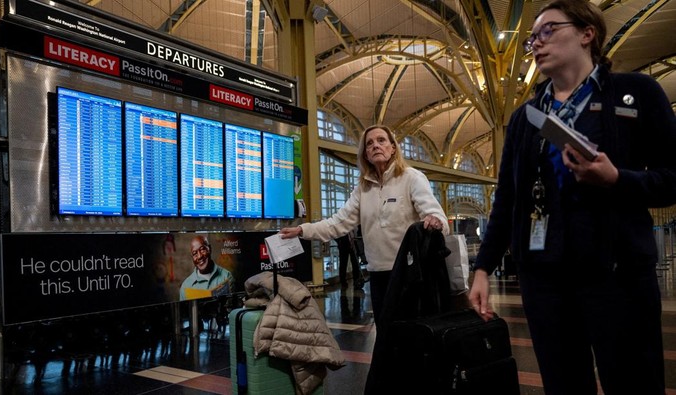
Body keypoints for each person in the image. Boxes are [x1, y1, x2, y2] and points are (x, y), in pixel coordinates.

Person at [468, 1, 676, 394]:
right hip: (545, 278)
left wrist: (618, 179)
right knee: (563, 385)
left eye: (547, 31)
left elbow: (672, 178)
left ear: (587, 33)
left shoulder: (636, 94)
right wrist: (483, 267)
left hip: (618, 275)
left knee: (634, 382)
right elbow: (508, 199)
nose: (536, 44)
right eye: (532, 38)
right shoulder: (526, 117)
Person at [280, 124, 449, 326]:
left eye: (381, 140)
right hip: (379, 276)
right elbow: (338, 223)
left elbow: (435, 214)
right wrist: (302, 229)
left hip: (409, 276)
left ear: (393, 147)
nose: (375, 145)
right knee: (386, 338)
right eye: (369, 143)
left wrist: (436, 221)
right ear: (366, 155)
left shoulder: (411, 177)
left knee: (411, 339)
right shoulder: (363, 188)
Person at [179, 235, 234, 301]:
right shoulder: (185, 286)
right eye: (195, 253)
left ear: (209, 249)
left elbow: (233, 309)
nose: (199, 256)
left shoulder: (227, 276)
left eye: (202, 249)